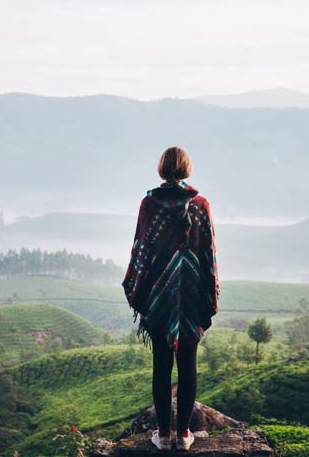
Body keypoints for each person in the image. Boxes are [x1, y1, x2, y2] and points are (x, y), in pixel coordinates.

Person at [122, 146, 220, 451]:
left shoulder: (149, 205)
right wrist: (209, 292)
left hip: (158, 296)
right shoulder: (200, 205)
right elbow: (209, 253)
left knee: (161, 366)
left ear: (162, 169)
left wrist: (137, 288)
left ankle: (163, 435)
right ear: (187, 169)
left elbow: (141, 249)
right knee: (188, 365)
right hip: (191, 295)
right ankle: (184, 434)